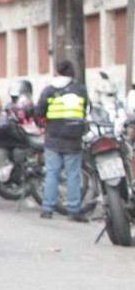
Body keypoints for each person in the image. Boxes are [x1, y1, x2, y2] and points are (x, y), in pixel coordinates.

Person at [36, 60, 91, 221]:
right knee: (73, 175)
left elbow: (39, 112)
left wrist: (44, 124)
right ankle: (74, 210)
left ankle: (47, 209)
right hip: (73, 139)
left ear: (57, 72)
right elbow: (86, 109)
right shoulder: (80, 90)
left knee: (52, 174)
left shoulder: (49, 90)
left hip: (53, 138)